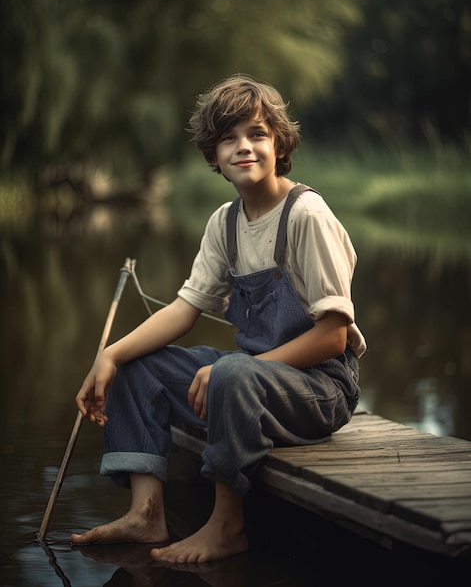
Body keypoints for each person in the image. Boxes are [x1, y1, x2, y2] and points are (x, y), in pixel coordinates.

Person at [70, 73, 367, 564]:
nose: (243, 148)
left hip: (321, 391)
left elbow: (334, 337)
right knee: (139, 366)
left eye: (256, 134)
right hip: (250, 384)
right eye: (228, 139)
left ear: (280, 143)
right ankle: (146, 514)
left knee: (231, 369)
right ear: (213, 156)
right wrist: (110, 354)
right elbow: (185, 309)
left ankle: (227, 525)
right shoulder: (225, 224)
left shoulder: (306, 215)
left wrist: (240, 370)